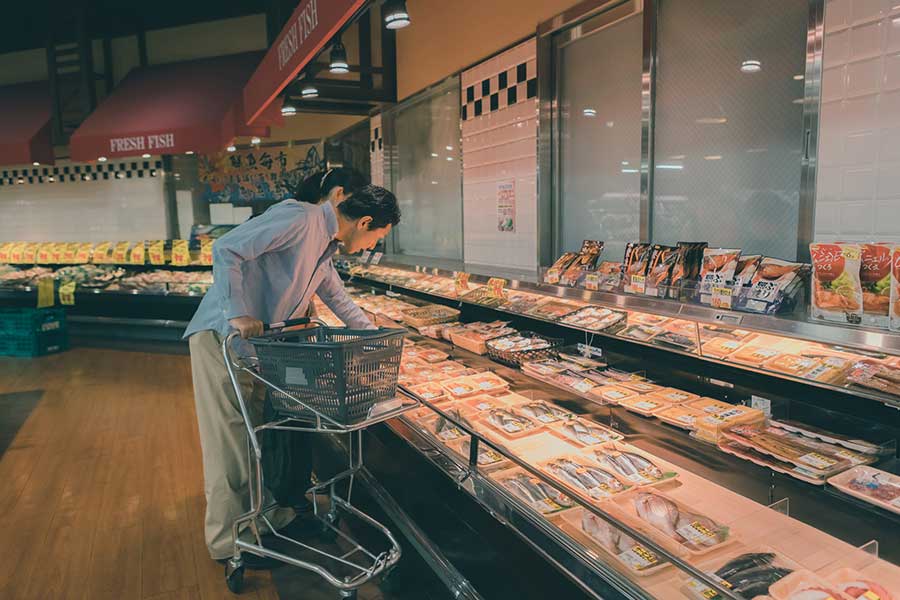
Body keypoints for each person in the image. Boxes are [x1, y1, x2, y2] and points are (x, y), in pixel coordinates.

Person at [183, 183, 401, 569]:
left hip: (256, 350)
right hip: (222, 338)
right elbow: (225, 248)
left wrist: (379, 342)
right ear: (364, 221)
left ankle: (261, 517)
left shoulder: (325, 248)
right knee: (230, 447)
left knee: (256, 439)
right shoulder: (299, 219)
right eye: (375, 237)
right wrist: (237, 312)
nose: (370, 246)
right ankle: (228, 542)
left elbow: (339, 300)